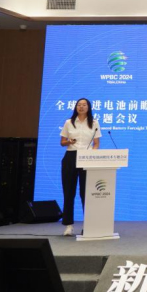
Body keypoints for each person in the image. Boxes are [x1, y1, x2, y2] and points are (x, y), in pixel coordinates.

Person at [59, 98, 100, 236]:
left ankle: (87, 225)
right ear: (76, 107)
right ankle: (68, 225)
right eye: (79, 105)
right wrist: (69, 141)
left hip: (86, 158)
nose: (81, 107)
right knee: (68, 192)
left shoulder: (94, 123)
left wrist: (92, 154)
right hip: (70, 157)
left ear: (88, 107)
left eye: (84, 105)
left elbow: (96, 143)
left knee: (86, 193)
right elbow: (62, 142)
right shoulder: (69, 122)